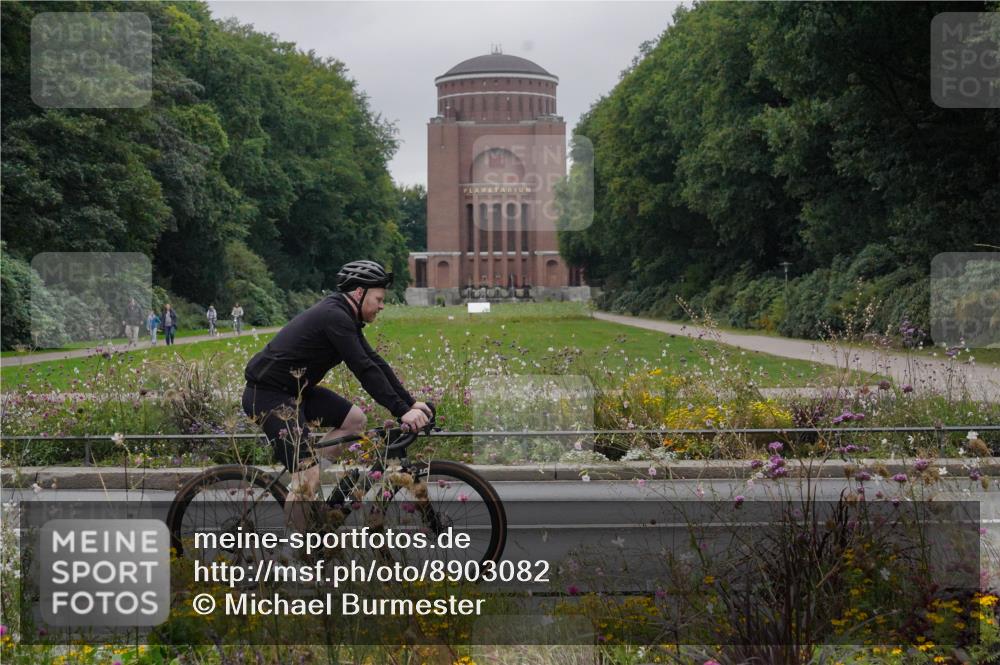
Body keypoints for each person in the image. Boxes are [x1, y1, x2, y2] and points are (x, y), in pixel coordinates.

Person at [242, 260, 432, 522]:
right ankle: (293, 556)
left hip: (297, 392)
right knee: (306, 479)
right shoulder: (334, 316)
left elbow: (375, 362)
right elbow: (362, 369)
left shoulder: (344, 317)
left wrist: (410, 404)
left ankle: (306, 489)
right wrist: (401, 411)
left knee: (355, 421)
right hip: (268, 395)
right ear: (358, 293)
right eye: (378, 298)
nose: (381, 305)